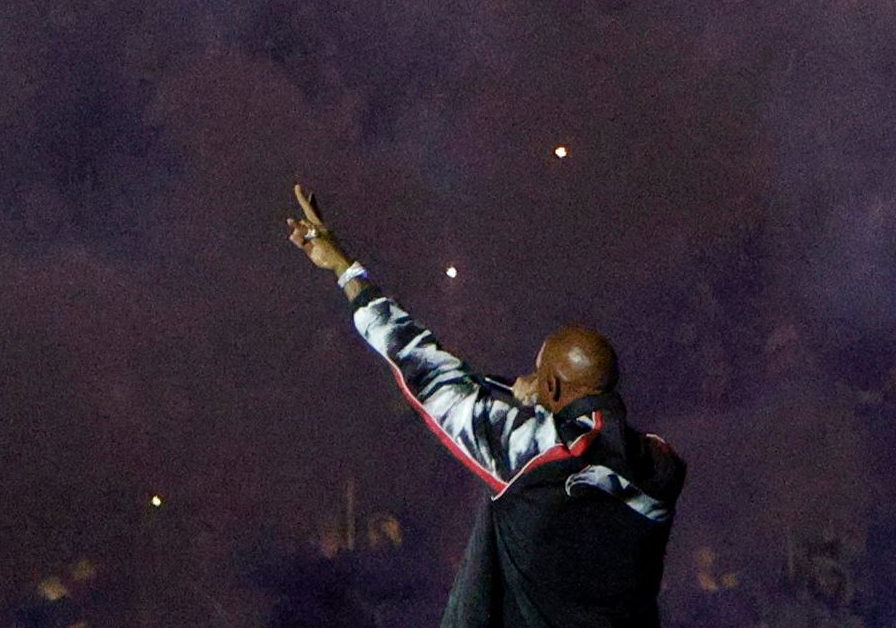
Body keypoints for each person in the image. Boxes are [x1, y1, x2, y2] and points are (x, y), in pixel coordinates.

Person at [286, 187, 681, 628]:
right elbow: (594, 439)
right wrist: (538, 401)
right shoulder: (661, 468)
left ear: (551, 385)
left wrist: (345, 269)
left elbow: (428, 370)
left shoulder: (531, 453)